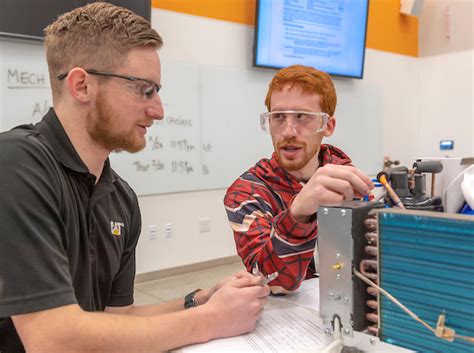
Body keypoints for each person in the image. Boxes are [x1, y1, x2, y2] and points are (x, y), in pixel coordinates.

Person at [0, 3, 269, 352]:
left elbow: (118, 317)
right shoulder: (16, 164)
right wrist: (209, 321)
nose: (158, 110)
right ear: (81, 85)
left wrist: (201, 300)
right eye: (144, 89)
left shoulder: (121, 198)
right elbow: (52, 338)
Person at [224, 65, 374, 293]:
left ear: (328, 126)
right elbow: (270, 280)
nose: (288, 132)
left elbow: (373, 259)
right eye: (278, 117)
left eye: (302, 117)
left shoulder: (347, 181)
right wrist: (297, 215)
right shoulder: (247, 193)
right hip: (283, 320)